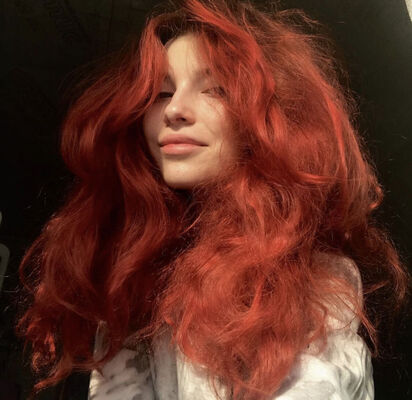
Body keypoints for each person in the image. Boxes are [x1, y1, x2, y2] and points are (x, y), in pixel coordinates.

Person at [15, 0, 410, 399]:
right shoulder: (136, 275)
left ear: (273, 118)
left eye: (215, 90)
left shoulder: (315, 282)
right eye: (160, 92)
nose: (174, 110)